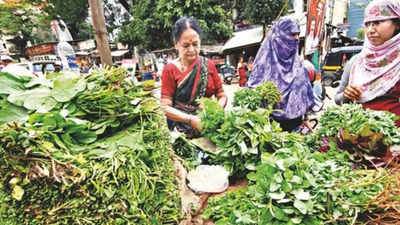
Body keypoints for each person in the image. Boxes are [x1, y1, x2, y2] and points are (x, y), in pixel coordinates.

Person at [335, 0, 400, 126]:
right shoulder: (357, 63)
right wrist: (346, 95)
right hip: (357, 138)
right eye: (367, 24)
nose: (370, 30)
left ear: (397, 23)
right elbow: (338, 99)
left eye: (377, 22)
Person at [160, 17, 227, 138]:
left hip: (209, 127)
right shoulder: (170, 69)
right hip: (181, 132)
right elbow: (165, 107)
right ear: (176, 44)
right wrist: (190, 119)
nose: (191, 50)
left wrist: (216, 110)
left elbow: (221, 95)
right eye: (186, 45)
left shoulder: (209, 65)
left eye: (195, 44)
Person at [247, 17, 315, 132]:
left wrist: (306, 119)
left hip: (295, 131)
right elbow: (251, 96)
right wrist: (265, 96)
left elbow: (303, 99)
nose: (297, 39)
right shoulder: (263, 65)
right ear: (279, 36)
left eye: (298, 34)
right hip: (268, 132)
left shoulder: (299, 66)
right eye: (292, 34)